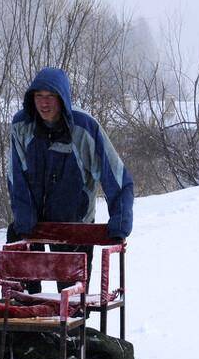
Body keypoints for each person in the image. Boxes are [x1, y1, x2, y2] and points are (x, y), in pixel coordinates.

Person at [7, 66, 134, 290]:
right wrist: (25, 222)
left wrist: (120, 224)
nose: (44, 103)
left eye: (51, 97)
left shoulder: (85, 129)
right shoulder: (22, 127)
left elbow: (117, 177)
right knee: (23, 302)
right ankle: (25, 315)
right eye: (39, 96)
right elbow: (16, 177)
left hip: (75, 227)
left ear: (63, 98)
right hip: (32, 226)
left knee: (71, 306)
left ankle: (73, 320)